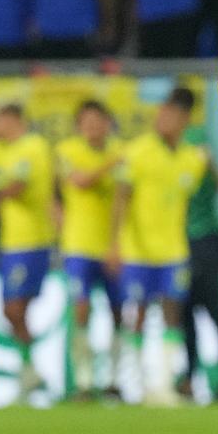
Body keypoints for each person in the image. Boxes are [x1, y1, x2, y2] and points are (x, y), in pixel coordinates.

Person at [108, 87, 208, 405]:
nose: (165, 121)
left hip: (173, 251)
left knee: (172, 315)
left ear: (184, 122)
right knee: (135, 314)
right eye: (162, 114)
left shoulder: (192, 159)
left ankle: (162, 387)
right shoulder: (136, 152)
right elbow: (120, 200)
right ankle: (136, 386)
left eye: (173, 116)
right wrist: (114, 245)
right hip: (137, 251)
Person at [54, 100, 121, 397]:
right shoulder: (67, 151)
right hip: (78, 245)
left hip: (113, 246)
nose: (93, 127)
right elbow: (79, 181)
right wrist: (112, 164)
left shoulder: (121, 153)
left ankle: (114, 380)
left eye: (98, 120)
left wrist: (117, 245)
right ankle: (83, 380)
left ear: (108, 123)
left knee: (119, 312)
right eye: (87, 122)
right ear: (79, 126)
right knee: (81, 309)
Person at [0, 105, 53, 398]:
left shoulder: (33, 146)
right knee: (13, 310)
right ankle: (30, 371)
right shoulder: (3, 152)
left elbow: (17, 186)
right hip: (11, 243)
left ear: (14, 119)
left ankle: (31, 370)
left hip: (31, 241)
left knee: (13, 308)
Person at [179, 164, 218, 400]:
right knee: (193, 314)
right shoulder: (191, 160)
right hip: (185, 244)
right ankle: (196, 376)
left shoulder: (194, 161)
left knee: (209, 312)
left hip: (201, 244)